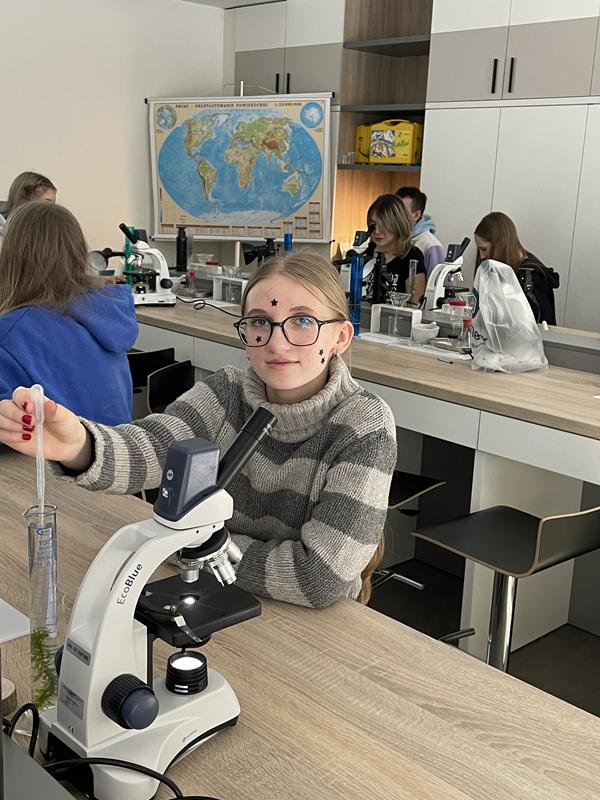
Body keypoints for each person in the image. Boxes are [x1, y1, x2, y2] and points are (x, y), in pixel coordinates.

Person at [0, 252, 397, 608]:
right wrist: (79, 445)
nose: (277, 344)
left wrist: (192, 545)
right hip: (219, 594)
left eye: (303, 321)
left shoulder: (364, 427)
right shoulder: (226, 393)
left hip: (315, 628)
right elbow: (152, 447)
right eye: (261, 322)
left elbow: (318, 578)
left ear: (341, 337)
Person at [0, 201, 138, 424]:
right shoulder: (108, 317)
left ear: (11, 258)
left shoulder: (11, 333)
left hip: (56, 447)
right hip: (118, 443)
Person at [474, 212, 559, 326]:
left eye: (484, 249)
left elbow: (538, 326)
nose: (481, 256)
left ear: (502, 242)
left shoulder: (531, 278)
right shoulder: (510, 270)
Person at [364, 194, 426, 304]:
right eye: (373, 225)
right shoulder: (363, 253)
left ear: (398, 224)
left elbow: (415, 303)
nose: (377, 231)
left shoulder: (412, 256)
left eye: (384, 225)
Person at [396, 186, 445, 277]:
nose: (395, 215)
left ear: (416, 215)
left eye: (401, 211)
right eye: (394, 210)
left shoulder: (431, 245)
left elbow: (438, 283)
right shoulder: (391, 239)